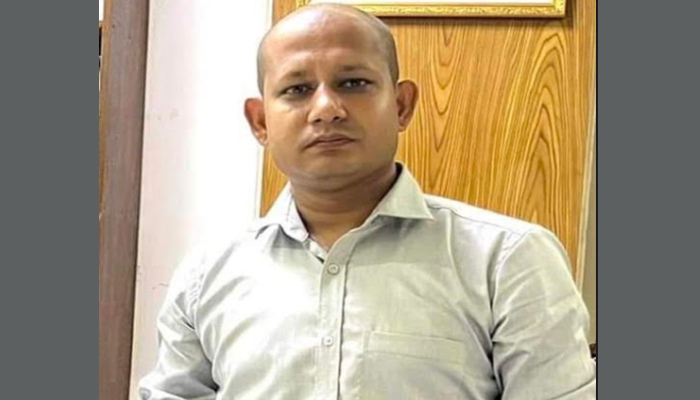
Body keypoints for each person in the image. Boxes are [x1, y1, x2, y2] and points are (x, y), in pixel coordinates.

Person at [139, 3, 596, 399]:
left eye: (353, 83)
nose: (326, 109)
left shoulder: (507, 261)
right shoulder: (208, 274)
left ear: (401, 106)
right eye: (297, 89)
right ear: (260, 122)